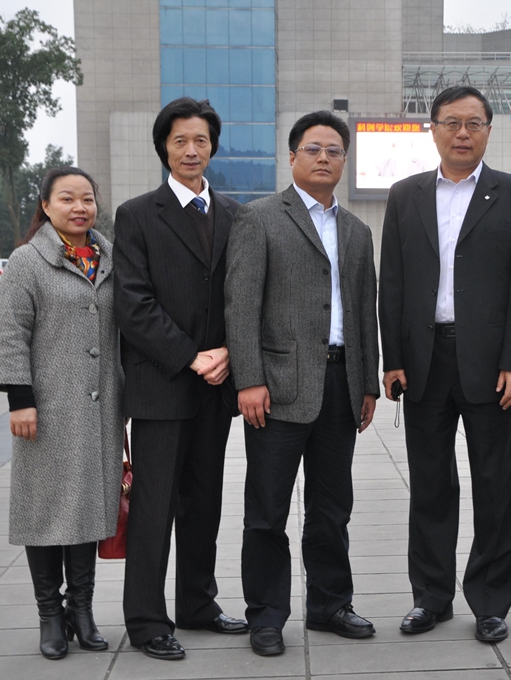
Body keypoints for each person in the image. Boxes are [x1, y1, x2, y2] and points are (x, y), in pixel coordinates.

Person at [378, 86, 511, 643]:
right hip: (423, 361)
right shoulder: (405, 195)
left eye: (474, 123)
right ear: (433, 130)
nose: (462, 133)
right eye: (451, 122)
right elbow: (392, 283)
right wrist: (393, 359)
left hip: (490, 364)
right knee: (430, 485)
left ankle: (491, 602)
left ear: (488, 131)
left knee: (494, 484)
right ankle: (430, 597)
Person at [225, 111, 380, 657]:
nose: (324, 158)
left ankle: (330, 604)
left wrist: (367, 384)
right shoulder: (259, 218)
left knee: (332, 508)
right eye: (313, 149)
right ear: (292, 157)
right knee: (267, 511)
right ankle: (266, 616)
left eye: (334, 151)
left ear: (344, 161)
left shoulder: (357, 231)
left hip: (341, 386)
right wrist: (249, 379)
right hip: (277, 388)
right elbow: (240, 306)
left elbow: (364, 312)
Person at [113, 97, 246, 661]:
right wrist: (192, 356)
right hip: (162, 385)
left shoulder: (237, 216)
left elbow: (246, 297)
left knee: (204, 502)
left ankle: (197, 604)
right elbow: (133, 304)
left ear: (212, 146)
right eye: (180, 141)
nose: (191, 150)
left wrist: (230, 354)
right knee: (154, 508)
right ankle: (147, 621)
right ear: (164, 148)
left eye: (200, 140)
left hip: (217, 387)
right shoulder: (137, 215)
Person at [0, 167, 123, 660]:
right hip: (46, 409)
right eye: (66, 198)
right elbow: (11, 335)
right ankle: (50, 614)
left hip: (102, 408)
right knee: (46, 510)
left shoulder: (110, 258)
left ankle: (81, 610)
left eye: (87, 198)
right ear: (45, 206)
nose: (79, 207)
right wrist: (19, 400)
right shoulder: (27, 261)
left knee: (88, 506)